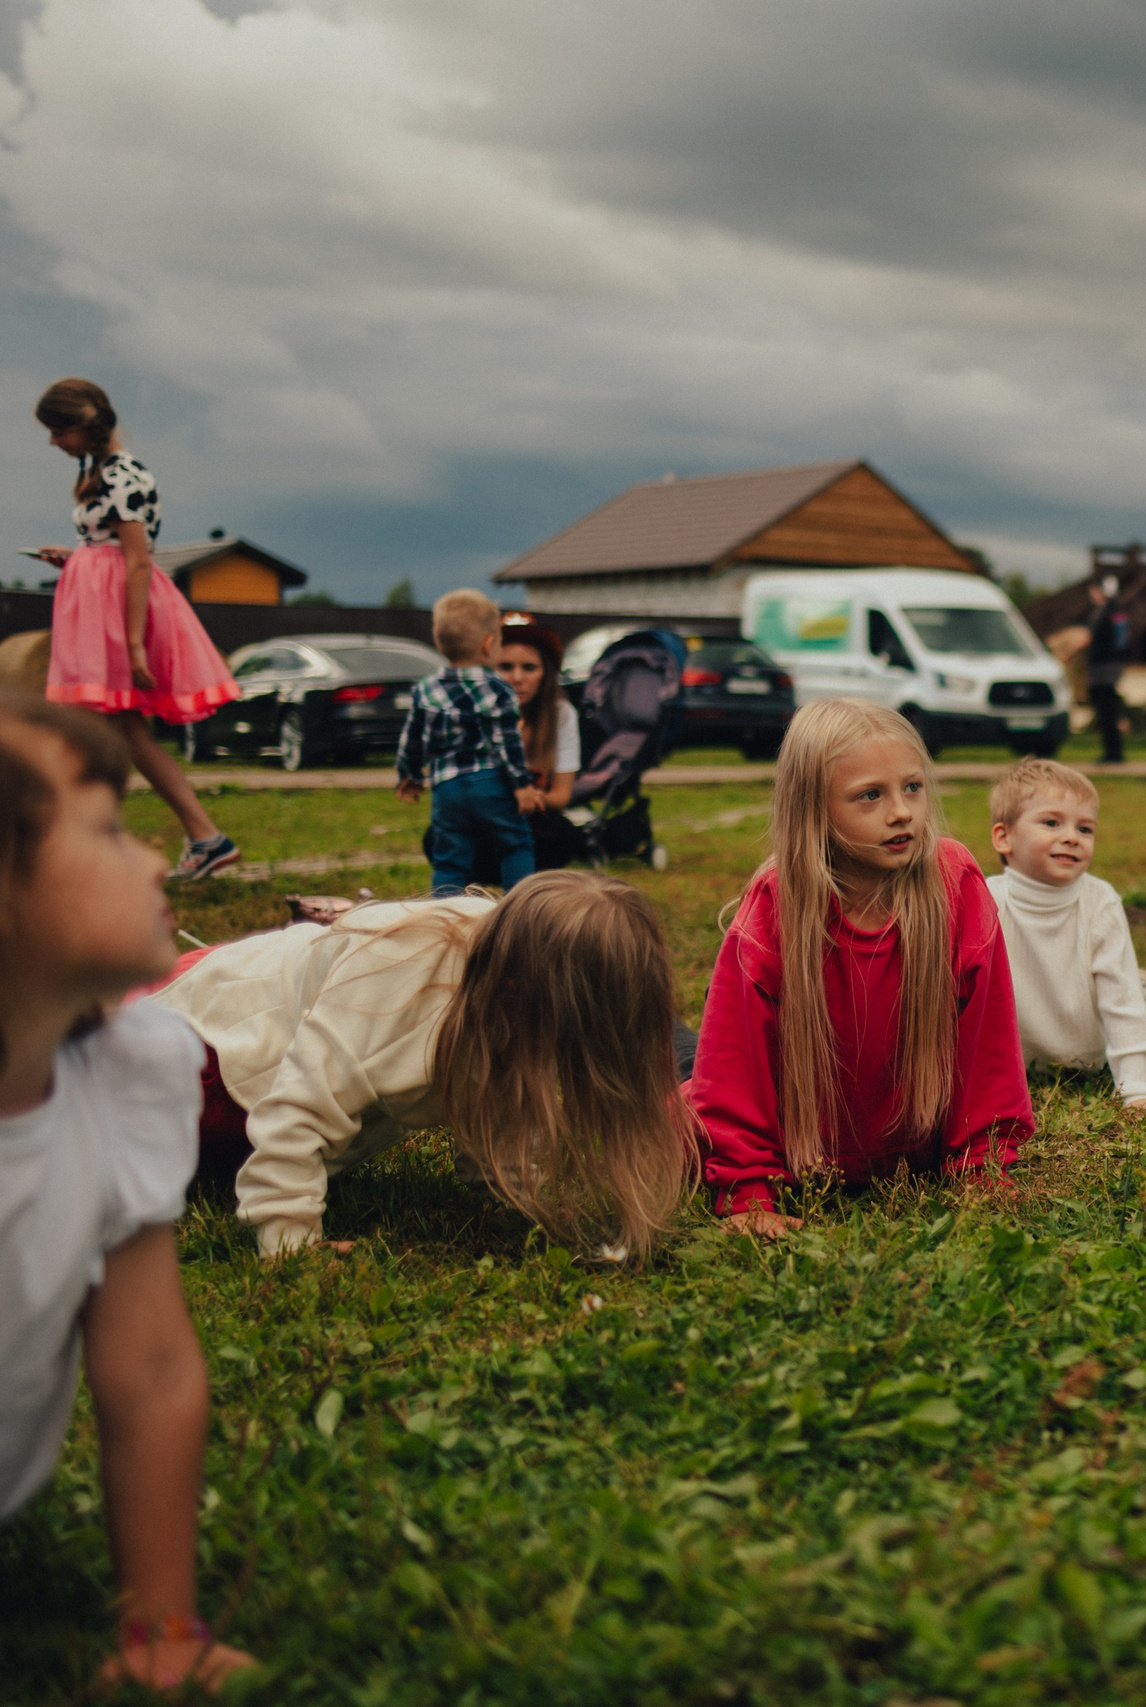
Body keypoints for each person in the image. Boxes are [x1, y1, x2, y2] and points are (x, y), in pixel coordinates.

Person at [0, 694, 258, 1692]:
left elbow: (147, 1370)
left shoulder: (132, 1070)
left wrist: (162, 1628)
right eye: (108, 830)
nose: (156, 860)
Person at [144, 870, 695, 1257]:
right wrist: (290, 1239)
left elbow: (493, 1103)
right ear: (520, 993)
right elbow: (297, 1110)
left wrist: (514, 1205)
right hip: (204, 1051)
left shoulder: (505, 977)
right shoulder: (393, 997)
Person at [690, 698, 1034, 1236]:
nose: (902, 812)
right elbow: (735, 1063)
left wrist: (983, 1166)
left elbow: (987, 1041)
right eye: (870, 795)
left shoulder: (955, 882)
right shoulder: (776, 902)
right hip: (803, 1156)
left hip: (909, 1156)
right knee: (673, 1096)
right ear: (813, 810)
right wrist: (747, 1192)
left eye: (913, 788)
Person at [31, 379, 240, 881]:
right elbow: (110, 548)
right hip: (99, 611)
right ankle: (203, 836)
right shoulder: (99, 471)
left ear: (84, 426)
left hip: (120, 618)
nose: (53, 442)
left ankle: (96, 846)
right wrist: (77, 556)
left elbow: (138, 562)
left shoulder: (125, 474)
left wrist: (133, 645)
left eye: (59, 431)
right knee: (124, 731)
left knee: (98, 732)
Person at [984, 756, 1146, 1116]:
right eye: (1052, 822)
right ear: (1004, 837)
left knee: (1128, 991)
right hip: (1015, 1060)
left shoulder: (1099, 901)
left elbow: (1119, 999)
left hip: (1090, 1055)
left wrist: (1136, 1089)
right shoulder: (987, 900)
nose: (1071, 837)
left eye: (1085, 829)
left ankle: (1141, 988)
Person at [396, 589, 542, 895]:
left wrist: (409, 776)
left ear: (439, 642)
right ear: (489, 644)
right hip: (490, 783)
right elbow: (507, 742)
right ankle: (518, 913)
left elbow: (412, 740)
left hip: (446, 787)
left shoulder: (425, 690)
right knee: (516, 845)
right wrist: (522, 784)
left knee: (450, 860)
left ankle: (444, 920)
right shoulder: (498, 689)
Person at [486, 623, 586, 876]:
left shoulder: (560, 714)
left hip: (532, 820)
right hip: (482, 819)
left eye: (529, 668)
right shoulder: (477, 710)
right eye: (506, 667)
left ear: (545, 674)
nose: (517, 678)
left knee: (564, 834)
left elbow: (561, 797)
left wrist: (530, 796)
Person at [1083, 575, 1131, 765]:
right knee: (1103, 708)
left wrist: (1116, 660)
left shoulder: (1114, 613)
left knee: (1108, 709)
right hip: (1099, 667)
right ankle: (1110, 750)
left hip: (1108, 667)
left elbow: (1121, 640)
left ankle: (1114, 752)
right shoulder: (1100, 612)